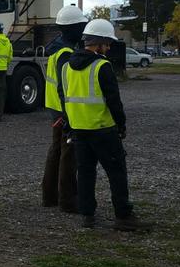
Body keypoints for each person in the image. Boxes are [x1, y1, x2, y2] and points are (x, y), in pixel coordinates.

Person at [60, 18, 150, 231]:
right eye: (107, 44)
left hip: (79, 130)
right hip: (103, 129)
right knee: (117, 173)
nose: (108, 48)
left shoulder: (65, 68)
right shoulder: (102, 66)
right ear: (98, 43)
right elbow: (114, 101)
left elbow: (64, 100)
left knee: (85, 173)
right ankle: (123, 216)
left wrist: (69, 125)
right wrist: (121, 125)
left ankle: (87, 215)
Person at [42, 5, 88, 211]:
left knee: (57, 150)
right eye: (81, 25)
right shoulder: (66, 53)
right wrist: (68, 114)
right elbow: (64, 86)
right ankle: (67, 201)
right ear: (74, 28)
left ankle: (50, 196)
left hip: (55, 108)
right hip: (64, 110)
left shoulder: (57, 48)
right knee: (68, 154)